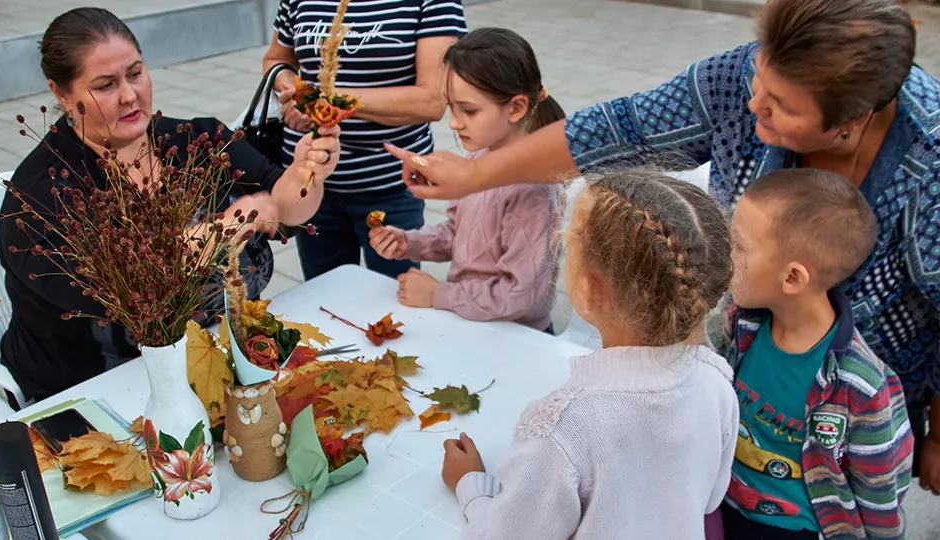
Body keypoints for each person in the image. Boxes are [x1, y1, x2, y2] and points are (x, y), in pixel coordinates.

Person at [389, 0, 940, 495]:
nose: (751, 105)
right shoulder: (740, 79)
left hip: (847, 421)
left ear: (851, 122)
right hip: (739, 382)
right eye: (758, 80)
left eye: (778, 106)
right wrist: (474, 177)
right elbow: (614, 131)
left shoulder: (929, 163)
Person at [0, 7, 340, 402]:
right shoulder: (45, 195)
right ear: (61, 94)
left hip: (221, 362)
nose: (129, 95)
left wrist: (307, 172)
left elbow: (285, 207)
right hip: (95, 393)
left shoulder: (194, 141)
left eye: (136, 73)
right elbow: (131, 287)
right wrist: (222, 230)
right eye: (106, 85)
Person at [440, 170, 739, 538]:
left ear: (590, 288)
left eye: (569, 245)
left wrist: (471, 487)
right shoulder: (716, 380)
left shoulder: (562, 430)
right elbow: (708, 499)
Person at [714, 169, 914, 539]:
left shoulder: (862, 386)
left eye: (738, 246)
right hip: (725, 506)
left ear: (792, 278)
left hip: (798, 530)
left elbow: (880, 488)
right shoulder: (740, 326)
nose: (725, 254)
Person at [367, 28, 564, 332]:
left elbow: (523, 296)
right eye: (452, 108)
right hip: (470, 322)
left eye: (469, 111)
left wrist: (438, 294)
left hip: (516, 338)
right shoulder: (476, 160)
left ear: (516, 107)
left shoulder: (535, 189)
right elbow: (458, 233)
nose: (455, 122)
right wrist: (410, 242)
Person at [261, 0, 466, 281]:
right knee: (326, 298)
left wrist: (328, 100)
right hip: (310, 182)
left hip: (391, 183)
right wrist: (294, 91)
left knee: (393, 303)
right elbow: (277, 60)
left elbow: (431, 100)